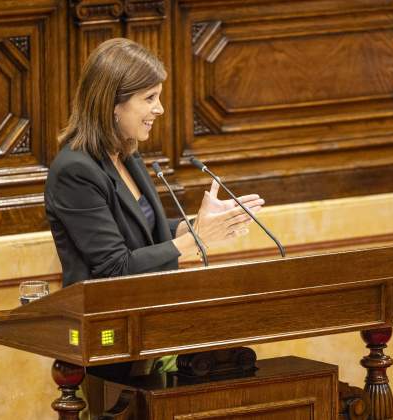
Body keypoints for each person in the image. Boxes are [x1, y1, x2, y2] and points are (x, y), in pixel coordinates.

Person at [44, 38, 264, 416]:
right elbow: (114, 267)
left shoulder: (125, 155)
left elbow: (148, 237)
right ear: (113, 103)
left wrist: (199, 224)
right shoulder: (74, 170)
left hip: (157, 325)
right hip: (114, 341)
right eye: (149, 98)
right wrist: (195, 241)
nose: (159, 109)